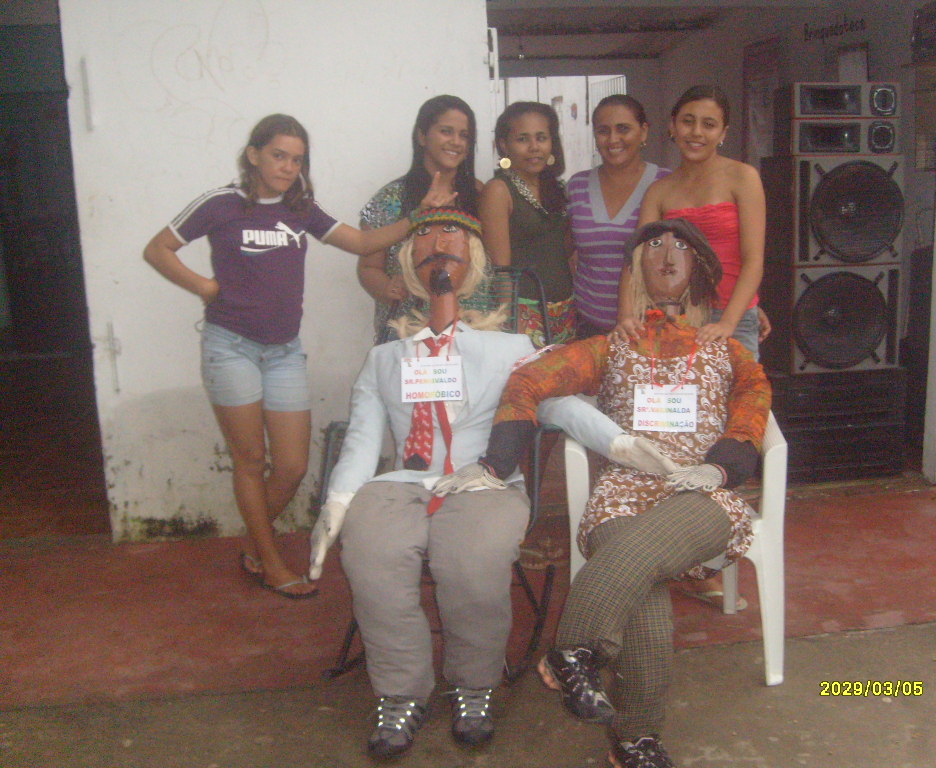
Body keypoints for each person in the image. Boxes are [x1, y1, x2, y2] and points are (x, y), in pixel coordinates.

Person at [307, 208, 667, 759]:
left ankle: (474, 685)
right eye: (423, 235)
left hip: (486, 482)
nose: (437, 241)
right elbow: (361, 440)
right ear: (406, 265)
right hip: (404, 482)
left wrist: (616, 441)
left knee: (472, 561)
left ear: (473, 261)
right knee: (371, 555)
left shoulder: (510, 349)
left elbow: (557, 401)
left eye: (451, 233)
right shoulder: (384, 360)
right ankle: (401, 691)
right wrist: (338, 502)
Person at [457, 218, 770, 768]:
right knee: (644, 594)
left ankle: (571, 648)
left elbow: (754, 404)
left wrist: (721, 468)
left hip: (702, 491)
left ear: (700, 270)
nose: (667, 255)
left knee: (650, 549)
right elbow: (530, 379)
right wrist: (497, 460)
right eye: (654, 246)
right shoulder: (612, 347)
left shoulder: (726, 351)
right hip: (624, 492)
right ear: (634, 271)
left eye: (681, 247)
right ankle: (635, 740)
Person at [143, 114, 453, 599]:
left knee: (290, 466)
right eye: (278, 156)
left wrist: (418, 217)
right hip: (231, 348)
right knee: (251, 460)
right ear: (254, 155)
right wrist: (203, 286)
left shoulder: (300, 209)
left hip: (284, 351)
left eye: (297, 160)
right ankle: (269, 561)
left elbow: (361, 242)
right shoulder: (222, 203)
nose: (288, 167)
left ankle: (255, 542)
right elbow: (158, 249)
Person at [617, 85, 770, 357]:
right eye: (688, 121)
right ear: (672, 126)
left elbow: (754, 260)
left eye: (708, 125)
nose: (696, 132)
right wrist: (626, 315)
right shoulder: (659, 191)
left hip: (733, 319)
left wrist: (727, 323)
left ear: (722, 133)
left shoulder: (743, 178)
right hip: (675, 318)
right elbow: (636, 260)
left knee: (741, 386)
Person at [358, 95, 494, 345]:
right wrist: (387, 288)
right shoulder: (390, 199)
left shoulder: (479, 195)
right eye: (446, 131)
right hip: (410, 335)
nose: (456, 142)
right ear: (422, 136)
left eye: (464, 135)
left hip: (473, 332)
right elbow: (368, 268)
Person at [568, 95, 670, 338]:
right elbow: (568, 251)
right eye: (603, 131)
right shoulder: (577, 185)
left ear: (643, 131)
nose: (613, 139)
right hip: (587, 329)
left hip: (650, 330)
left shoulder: (666, 183)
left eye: (623, 129)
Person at [480, 101, 575, 347]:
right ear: (504, 145)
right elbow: (501, 271)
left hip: (565, 312)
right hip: (523, 316)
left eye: (541, 138)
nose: (534, 147)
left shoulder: (557, 188)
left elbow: (564, 252)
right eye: (523, 139)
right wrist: (508, 326)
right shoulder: (499, 191)